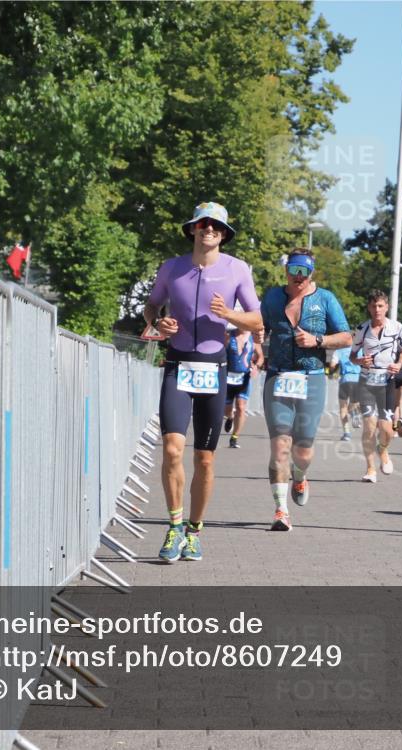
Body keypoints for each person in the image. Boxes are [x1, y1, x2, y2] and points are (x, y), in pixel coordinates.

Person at [143, 202, 263, 562]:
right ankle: (174, 526)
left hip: (214, 366)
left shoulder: (237, 269)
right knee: (171, 449)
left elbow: (257, 320)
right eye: (202, 224)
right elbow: (151, 307)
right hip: (178, 364)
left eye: (215, 225)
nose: (208, 229)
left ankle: (195, 531)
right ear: (193, 229)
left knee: (205, 459)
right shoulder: (172, 268)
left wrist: (229, 315)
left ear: (224, 233)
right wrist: (159, 321)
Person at [259, 249, 352, 531]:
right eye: (293, 270)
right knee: (280, 444)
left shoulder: (325, 299)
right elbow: (257, 324)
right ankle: (280, 510)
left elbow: (347, 337)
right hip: (278, 376)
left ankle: (299, 476)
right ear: (286, 270)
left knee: (304, 449)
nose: (298, 277)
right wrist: (253, 343)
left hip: (311, 378)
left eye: (304, 272)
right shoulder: (273, 297)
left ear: (311, 273)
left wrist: (318, 339)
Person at [351, 290, 402, 483]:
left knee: (387, 429)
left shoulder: (397, 327)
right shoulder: (362, 329)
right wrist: (360, 360)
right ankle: (370, 469)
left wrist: (399, 364)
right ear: (369, 308)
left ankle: (382, 450)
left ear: (387, 307)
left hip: (386, 381)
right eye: (373, 306)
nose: (377, 310)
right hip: (367, 381)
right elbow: (352, 355)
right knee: (369, 426)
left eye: (380, 306)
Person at [223, 326, 263, 448]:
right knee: (227, 409)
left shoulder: (254, 338)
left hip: (244, 378)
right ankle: (230, 418)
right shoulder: (229, 336)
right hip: (228, 378)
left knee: (241, 407)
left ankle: (234, 437)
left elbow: (260, 356)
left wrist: (256, 367)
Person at [331, 346, 361, 441]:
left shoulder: (338, 351)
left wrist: (333, 372)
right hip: (358, 380)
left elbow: (332, 365)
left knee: (343, 408)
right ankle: (354, 413)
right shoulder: (360, 350)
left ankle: (347, 433)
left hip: (345, 380)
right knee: (355, 404)